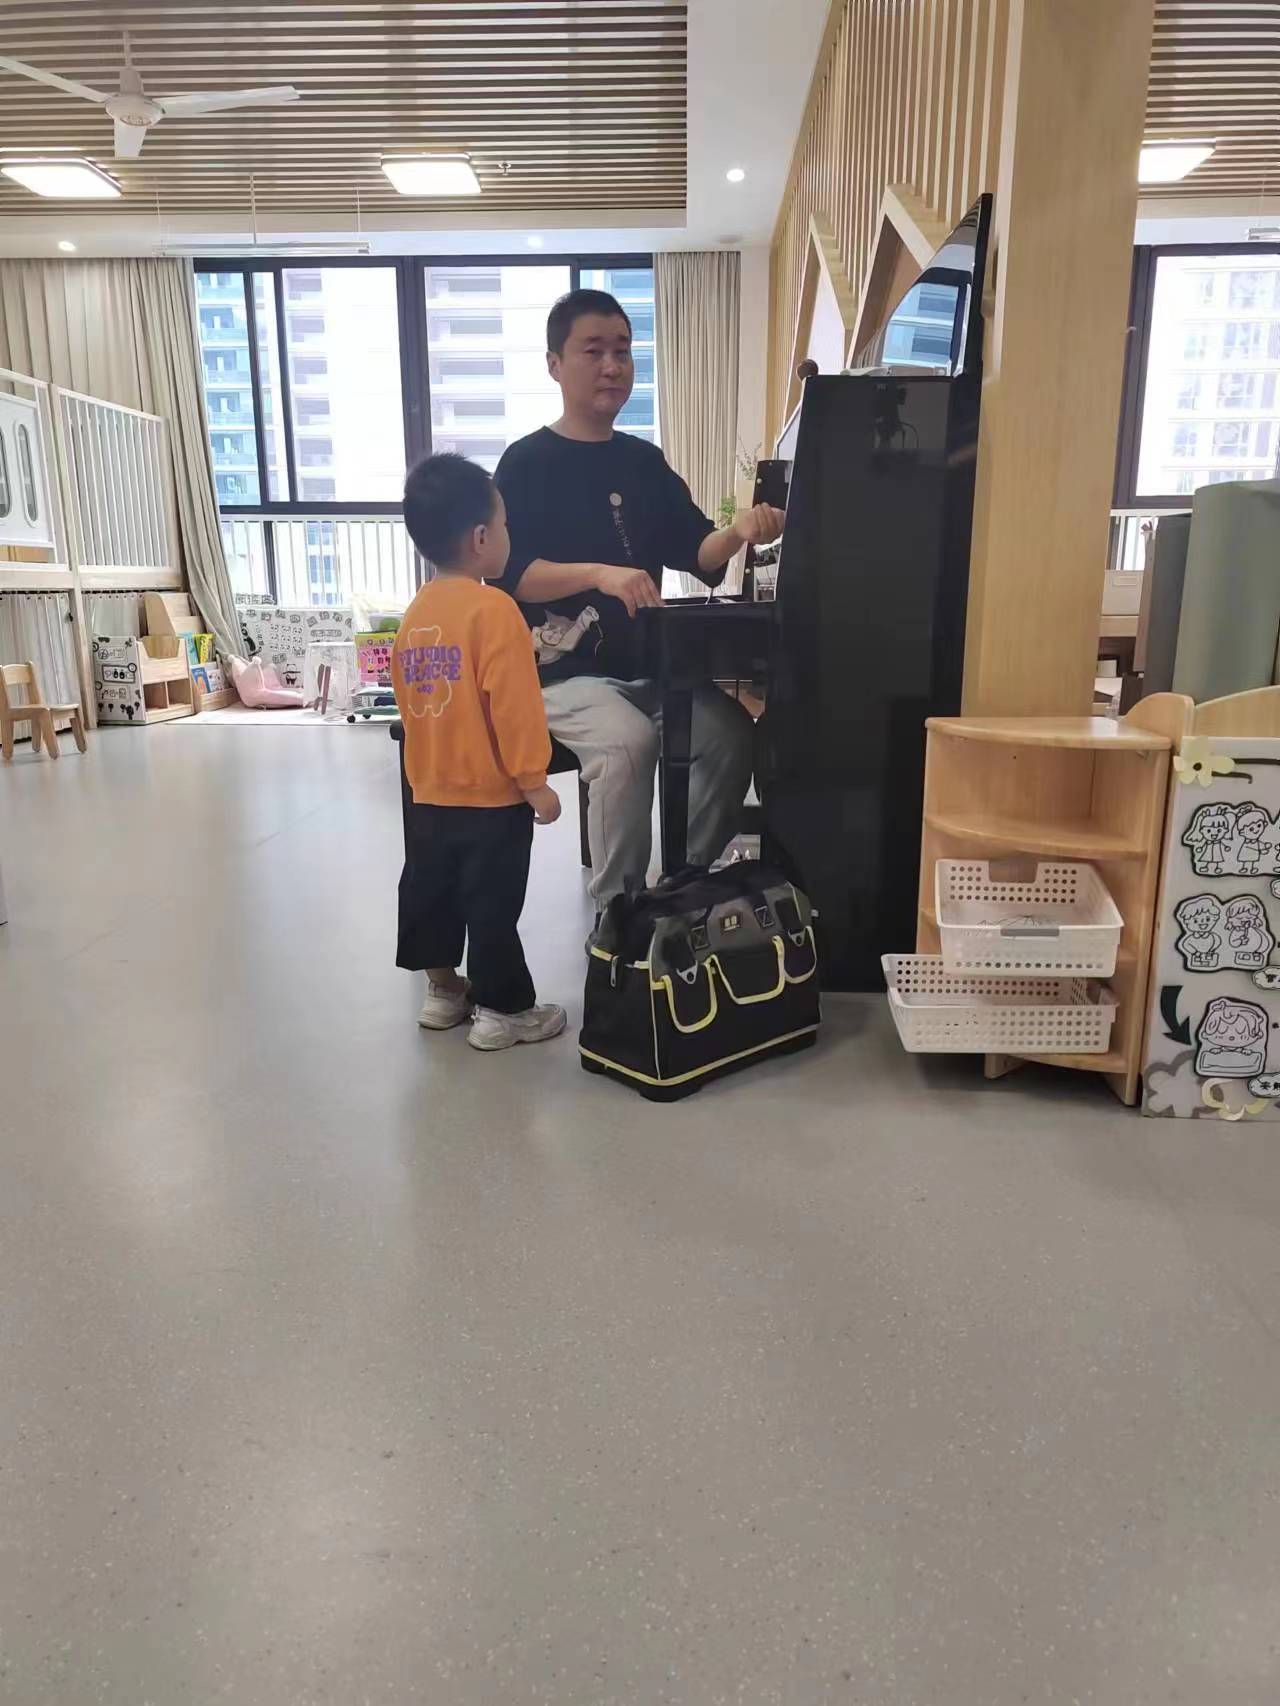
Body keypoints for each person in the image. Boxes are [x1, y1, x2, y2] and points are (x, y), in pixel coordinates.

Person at [494, 287, 785, 905]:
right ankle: (618, 914)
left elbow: (697, 551)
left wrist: (737, 531)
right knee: (628, 744)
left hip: (651, 670)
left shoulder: (644, 462)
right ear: (554, 364)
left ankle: (684, 887)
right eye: (593, 351)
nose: (612, 366)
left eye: (622, 351)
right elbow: (511, 573)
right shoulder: (525, 462)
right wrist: (599, 574)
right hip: (560, 676)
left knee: (732, 737)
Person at [392, 452, 566, 1052]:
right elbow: (514, 706)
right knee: (492, 904)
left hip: (429, 791)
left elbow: (407, 703)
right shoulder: (495, 609)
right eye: (505, 524)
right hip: (491, 799)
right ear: (481, 538)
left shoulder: (416, 613)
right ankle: (503, 1011)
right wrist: (533, 780)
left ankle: (443, 993)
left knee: (431, 893)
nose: (508, 535)